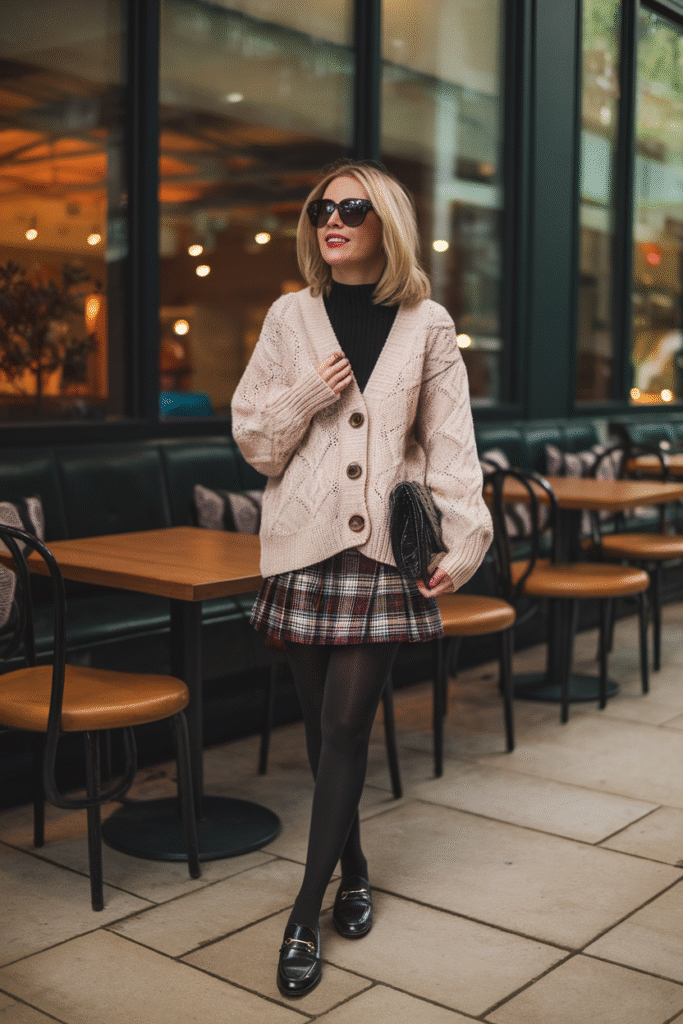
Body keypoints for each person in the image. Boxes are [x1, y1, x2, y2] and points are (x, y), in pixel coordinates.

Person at [231, 159, 492, 997]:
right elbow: (256, 443)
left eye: (351, 208)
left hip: (383, 554)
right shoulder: (287, 316)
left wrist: (463, 541)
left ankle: (303, 913)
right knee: (318, 729)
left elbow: (452, 446)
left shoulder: (426, 324)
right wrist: (306, 391)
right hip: (302, 549)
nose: (330, 221)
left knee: (345, 730)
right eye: (318, 208)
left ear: (387, 224)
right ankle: (354, 868)